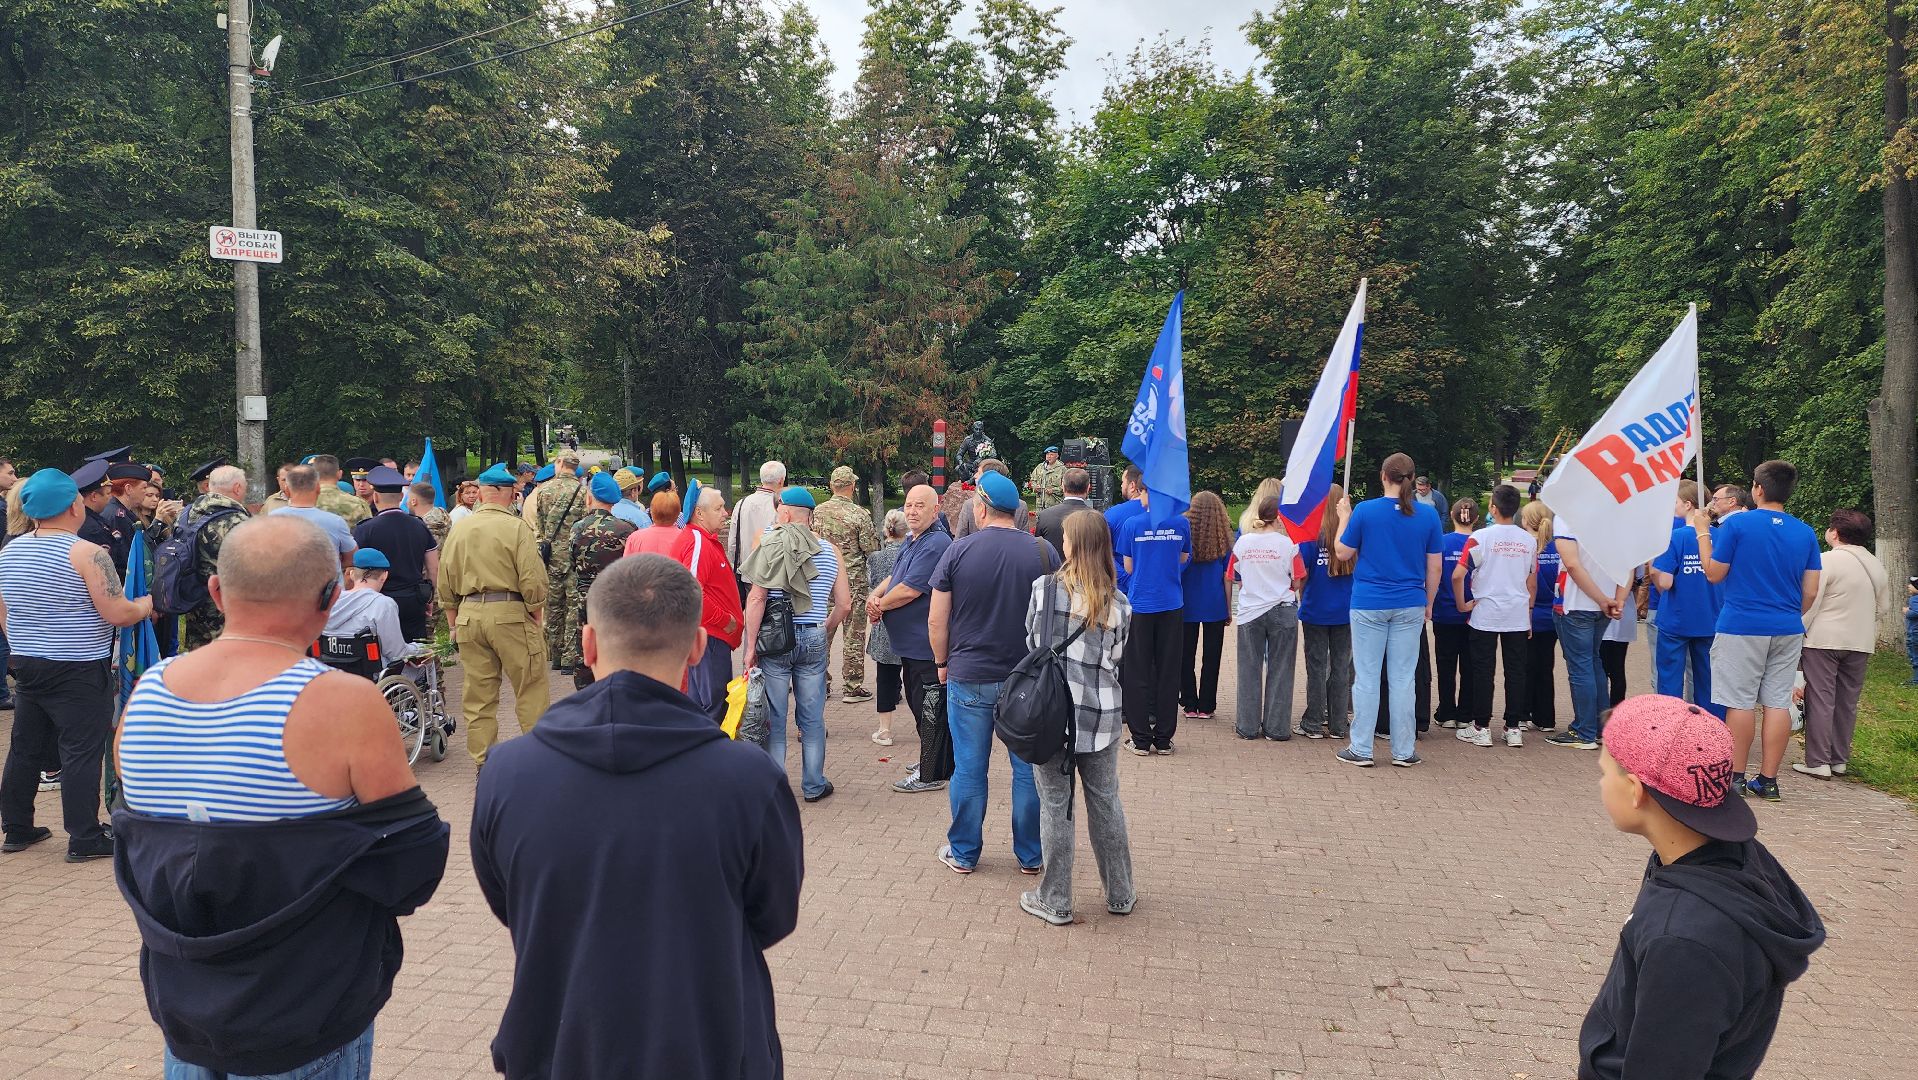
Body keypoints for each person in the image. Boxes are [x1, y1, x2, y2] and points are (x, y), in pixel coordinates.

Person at [113, 514, 447, 1080]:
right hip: (308, 1004)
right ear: (333, 594)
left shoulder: (148, 690)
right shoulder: (342, 701)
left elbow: (150, 838)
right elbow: (413, 863)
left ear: (216, 592)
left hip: (187, 1005)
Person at [471, 554, 802, 1080]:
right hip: (709, 1044)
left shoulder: (507, 772)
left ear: (588, 643)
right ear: (697, 646)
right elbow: (774, 914)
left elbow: (511, 902)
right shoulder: (749, 778)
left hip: (557, 1046)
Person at [1580, 695, 1824, 1080]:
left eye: (1604, 772)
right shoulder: (1724, 856)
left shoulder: (1684, 940)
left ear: (1634, 790)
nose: (1599, 782)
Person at [0, 468, 154, 861]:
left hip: (29, 662)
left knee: (25, 746)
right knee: (81, 749)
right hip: (79, 665)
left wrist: (26, 640)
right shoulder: (88, 553)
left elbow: (4, 610)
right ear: (74, 505)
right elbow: (116, 612)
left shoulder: (10, 550)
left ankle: (17, 827)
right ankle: (84, 837)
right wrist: (146, 605)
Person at [928, 470, 1058, 873]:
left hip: (969, 674)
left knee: (969, 767)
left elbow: (937, 620)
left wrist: (942, 663)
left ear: (979, 508)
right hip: (1027, 680)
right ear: (1018, 511)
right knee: (1026, 770)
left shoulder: (957, 551)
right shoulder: (1043, 552)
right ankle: (1031, 855)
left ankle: (965, 852)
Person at [1019, 508, 1135, 923]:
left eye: (1066, 537)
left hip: (1050, 716)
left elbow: (1032, 640)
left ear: (1074, 545)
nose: (1061, 543)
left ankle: (1056, 899)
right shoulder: (1119, 602)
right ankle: (1120, 892)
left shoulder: (1043, 590)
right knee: (1105, 802)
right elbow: (1117, 656)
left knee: (1055, 805)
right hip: (1100, 717)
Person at [1691, 460, 1822, 801]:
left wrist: (1702, 531)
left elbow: (1714, 573)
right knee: (1778, 701)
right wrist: (1793, 614)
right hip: (1787, 626)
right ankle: (1768, 779)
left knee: (1740, 701)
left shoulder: (1739, 526)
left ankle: (1735, 777)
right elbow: (1810, 590)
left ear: (1758, 489)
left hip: (1742, 624)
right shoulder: (1805, 532)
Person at [436, 463, 550, 768]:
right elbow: (532, 580)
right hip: (511, 613)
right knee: (531, 690)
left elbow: (444, 581)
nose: (516, 495)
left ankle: (484, 765)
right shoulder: (516, 528)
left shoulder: (458, 528)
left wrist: (452, 626)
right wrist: (536, 614)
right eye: (513, 491)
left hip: (468, 616)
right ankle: (538, 762)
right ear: (501, 492)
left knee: (478, 698)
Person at [740, 487, 850, 803]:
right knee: (813, 717)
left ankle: (775, 788)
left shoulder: (770, 544)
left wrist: (750, 648)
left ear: (786, 513)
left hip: (776, 639)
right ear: (809, 516)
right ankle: (814, 784)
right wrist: (823, 630)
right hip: (814, 634)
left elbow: (758, 597)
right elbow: (843, 604)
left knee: (776, 715)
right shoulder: (831, 551)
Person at [1333, 453, 1443, 768]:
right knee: (1403, 678)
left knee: (1367, 676)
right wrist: (1429, 601)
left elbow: (1342, 551)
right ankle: (1404, 750)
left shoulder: (1365, 511)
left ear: (1384, 475)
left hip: (1369, 601)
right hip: (1410, 601)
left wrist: (1344, 517)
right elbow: (1434, 566)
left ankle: (1362, 748)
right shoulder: (1428, 516)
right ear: (1412, 478)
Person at [1792, 508, 1890, 780]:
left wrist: (1799, 630)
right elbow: (1882, 608)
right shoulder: (1877, 566)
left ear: (1834, 533)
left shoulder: (1827, 561)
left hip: (1823, 638)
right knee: (1848, 701)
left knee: (1821, 698)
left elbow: (1812, 600)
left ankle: (1818, 760)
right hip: (1860, 640)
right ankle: (1839, 759)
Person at [872, 484, 953, 794]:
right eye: (908, 505)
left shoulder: (935, 543)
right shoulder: (912, 539)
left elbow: (910, 590)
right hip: (911, 644)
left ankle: (932, 772)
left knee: (929, 708)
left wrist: (879, 605)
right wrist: (876, 594)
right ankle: (935, 761)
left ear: (935, 510)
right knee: (921, 706)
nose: (912, 510)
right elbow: (897, 576)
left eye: (920, 505)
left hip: (925, 644)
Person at [1455, 484, 1534, 748]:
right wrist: (1529, 614)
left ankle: (1481, 726)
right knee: (1516, 672)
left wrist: (1462, 604)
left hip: (1485, 612)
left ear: (1493, 508)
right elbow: (1530, 582)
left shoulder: (1480, 538)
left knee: (1482, 671)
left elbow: (1458, 574)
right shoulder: (1529, 540)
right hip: (1517, 614)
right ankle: (1513, 727)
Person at [1547, 497, 1627, 751]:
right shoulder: (1617, 520)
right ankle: (1600, 727)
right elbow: (1628, 563)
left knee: (1581, 666)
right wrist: (1617, 600)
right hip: (1604, 602)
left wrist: (1603, 599)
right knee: (1594, 663)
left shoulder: (1568, 517)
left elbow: (1571, 564)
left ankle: (1584, 731)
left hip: (1577, 603)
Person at [1116, 484, 1191, 755]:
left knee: (1137, 671)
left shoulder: (1132, 524)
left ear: (1146, 494)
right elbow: (1183, 558)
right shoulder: (1181, 523)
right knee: (1168, 670)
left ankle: (1140, 739)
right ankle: (1163, 738)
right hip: (1171, 603)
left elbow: (1128, 567)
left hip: (1141, 604)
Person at [1231, 495, 1304, 741]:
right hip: (1282, 608)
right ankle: (1277, 728)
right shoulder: (1289, 545)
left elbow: (1234, 576)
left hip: (1251, 610)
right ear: (1280, 517)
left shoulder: (1242, 543)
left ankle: (1247, 726)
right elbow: (1297, 579)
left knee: (1249, 669)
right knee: (1281, 669)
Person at [560, 472, 639, 691]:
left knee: (585, 645)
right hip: (616, 598)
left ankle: (586, 692)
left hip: (586, 596)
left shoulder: (578, 528)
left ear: (591, 496)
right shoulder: (626, 529)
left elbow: (571, 561)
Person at [670, 486, 743, 720]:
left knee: (704, 706)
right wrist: (725, 620)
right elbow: (692, 592)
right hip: (709, 637)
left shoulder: (701, 539)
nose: (726, 512)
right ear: (699, 514)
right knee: (714, 708)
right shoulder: (697, 541)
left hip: (708, 637)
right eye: (719, 508)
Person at [1651, 480, 1723, 717]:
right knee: (1709, 681)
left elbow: (1665, 581)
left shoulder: (1675, 537)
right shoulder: (1720, 537)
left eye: (1675, 502)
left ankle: (1670, 729)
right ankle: (1711, 731)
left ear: (1688, 504)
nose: (1673, 506)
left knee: (1670, 678)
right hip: (1711, 616)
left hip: (1677, 617)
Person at [813, 466, 882, 704]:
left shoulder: (817, 512)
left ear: (832, 486)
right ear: (852, 486)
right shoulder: (859, 514)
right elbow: (871, 549)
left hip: (822, 579)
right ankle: (852, 686)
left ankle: (820, 681)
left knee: (823, 631)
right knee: (854, 634)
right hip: (853, 582)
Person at [352, 466, 439, 645]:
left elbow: (354, 567)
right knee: (416, 652)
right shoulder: (420, 526)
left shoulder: (365, 529)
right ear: (401, 496)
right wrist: (428, 597)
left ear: (375, 497)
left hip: (377, 600)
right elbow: (433, 568)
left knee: (381, 653)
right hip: (413, 600)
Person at [1296, 484, 1354, 740]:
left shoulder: (1311, 538)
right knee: (1342, 667)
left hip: (1316, 609)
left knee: (1316, 666)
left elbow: (1303, 575)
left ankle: (1314, 721)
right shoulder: (1351, 538)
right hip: (1345, 610)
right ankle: (1339, 722)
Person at [179, 466, 253, 651]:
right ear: (237, 488)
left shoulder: (187, 514)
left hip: (194, 602)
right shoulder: (239, 522)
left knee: (199, 661)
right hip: (227, 609)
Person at [1179, 491, 1232, 721]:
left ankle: (1189, 702)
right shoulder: (1223, 541)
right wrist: (1229, 608)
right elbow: (1227, 578)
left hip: (1187, 603)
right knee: (1212, 656)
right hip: (1214, 603)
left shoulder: (1185, 536)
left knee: (1185, 655)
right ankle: (1207, 704)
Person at [535, 450, 588, 671]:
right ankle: (569, 659)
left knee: (553, 608)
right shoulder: (584, 492)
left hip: (552, 559)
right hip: (575, 558)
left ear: (559, 463)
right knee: (573, 609)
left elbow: (539, 526)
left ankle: (554, 656)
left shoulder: (544, 491)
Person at [324, 548, 426, 663]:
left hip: (331, 672)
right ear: (384, 576)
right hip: (371, 676)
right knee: (424, 665)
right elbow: (395, 653)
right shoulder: (383, 604)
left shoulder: (331, 601)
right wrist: (421, 649)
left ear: (352, 574)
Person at [1431, 498, 1478, 729]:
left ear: (1451, 514)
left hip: (1444, 612)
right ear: (1476, 519)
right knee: (1470, 665)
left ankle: (1446, 711)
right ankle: (1466, 713)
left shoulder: (1441, 542)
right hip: (1473, 614)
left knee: (1445, 664)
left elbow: (1434, 572)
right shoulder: (1480, 543)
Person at [865, 510, 909, 745]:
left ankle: (884, 729)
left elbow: (872, 583)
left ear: (886, 530)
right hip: (910, 624)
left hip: (883, 622)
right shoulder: (912, 554)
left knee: (884, 677)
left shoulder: (875, 558)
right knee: (916, 679)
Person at [1520, 502, 1561, 732]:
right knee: (1546, 667)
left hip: (1528, 613)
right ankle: (1545, 717)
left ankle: (1523, 712)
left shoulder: (1525, 547)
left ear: (1527, 521)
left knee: (1525, 665)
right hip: (1552, 615)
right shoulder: (1558, 548)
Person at [269, 464, 356, 568]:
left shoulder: (271, 519)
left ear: (287, 491)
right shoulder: (336, 522)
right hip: (327, 581)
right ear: (318, 489)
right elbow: (351, 557)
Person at [727, 461, 785, 605]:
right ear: (781, 480)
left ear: (761, 479)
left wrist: (734, 567)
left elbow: (733, 541)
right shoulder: (782, 506)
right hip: (774, 577)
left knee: (750, 617)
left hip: (747, 574)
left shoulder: (742, 503)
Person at [1600, 565, 1645, 706]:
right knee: (1617, 668)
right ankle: (1616, 712)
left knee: (1601, 668)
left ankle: (1601, 711)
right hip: (1623, 608)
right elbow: (1639, 579)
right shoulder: (1631, 550)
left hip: (1602, 607)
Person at [953, 459, 1031, 538]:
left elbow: (958, 541)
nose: (975, 475)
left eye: (979, 473)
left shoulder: (970, 505)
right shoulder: (1021, 506)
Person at [1104, 465, 1146, 591]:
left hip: (1122, 589)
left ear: (1132, 485)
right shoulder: (1167, 516)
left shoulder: (1112, 514)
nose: (1121, 486)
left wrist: (1127, 580)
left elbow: (1102, 552)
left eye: (1123, 482)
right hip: (1158, 589)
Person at [1036, 467, 1094, 552]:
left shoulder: (1045, 515)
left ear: (1063, 486)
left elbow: (1038, 548)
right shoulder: (1096, 518)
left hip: (1054, 565)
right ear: (1088, 488)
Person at [310, 454, 372, 527]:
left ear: (313, 475)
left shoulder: (299, 503)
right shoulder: (359, 504)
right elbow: (368, 532)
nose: (361, 484)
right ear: (339, 474)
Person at [621, 489, 682, 557]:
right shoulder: (686, 539)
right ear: (678, 513)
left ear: (652, 512)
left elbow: (627, 566)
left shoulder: (634, 538)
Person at [408, 481, 451, 548]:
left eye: (408, 498)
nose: (406, 502)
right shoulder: (444, 516)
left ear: (414, 501)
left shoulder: (419, 529)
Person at [1026, 446, 1066, 510]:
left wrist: (1053, 490)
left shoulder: (1062, 469)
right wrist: (1035, 487)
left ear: (1057, 456)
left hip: (1055, 504)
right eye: (1047, 454)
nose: (1049, 456)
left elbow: (1066, 486)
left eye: (1051, 455)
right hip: (1040, 505)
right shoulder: (1040, 467)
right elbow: (1032, 481)